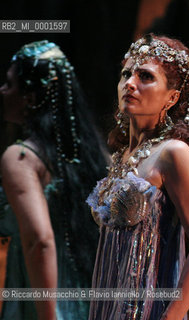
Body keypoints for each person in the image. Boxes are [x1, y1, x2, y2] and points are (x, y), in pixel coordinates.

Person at [86, 34, 189, 320]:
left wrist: (171, 316)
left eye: (145, 76)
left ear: (172, 97)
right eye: (126, 74)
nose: (130, 83)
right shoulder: (120, 158)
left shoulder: (173, 153)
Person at [0, 40, 108, 319]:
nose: (2, 91)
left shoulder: (20, 157)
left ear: (31, 98)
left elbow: (40, 241)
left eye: (9, 84)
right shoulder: (95, 157)